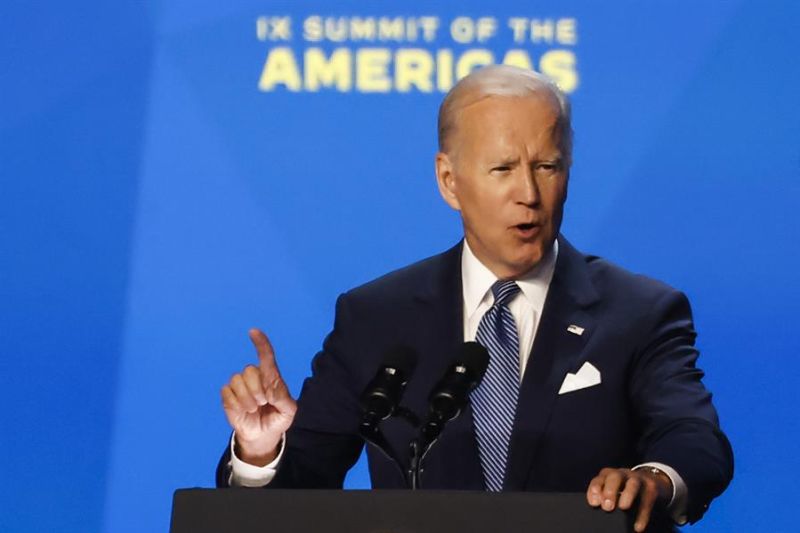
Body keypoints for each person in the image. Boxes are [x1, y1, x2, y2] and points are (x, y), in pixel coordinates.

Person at [216, 65, 733, 531]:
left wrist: (655, 479)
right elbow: (301, 486)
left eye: (547, 167)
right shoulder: (376, 316)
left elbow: (693, 438)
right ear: (449, 181)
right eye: (503, 169)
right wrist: (260, 452)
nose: (529, 193)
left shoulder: (639, 311)